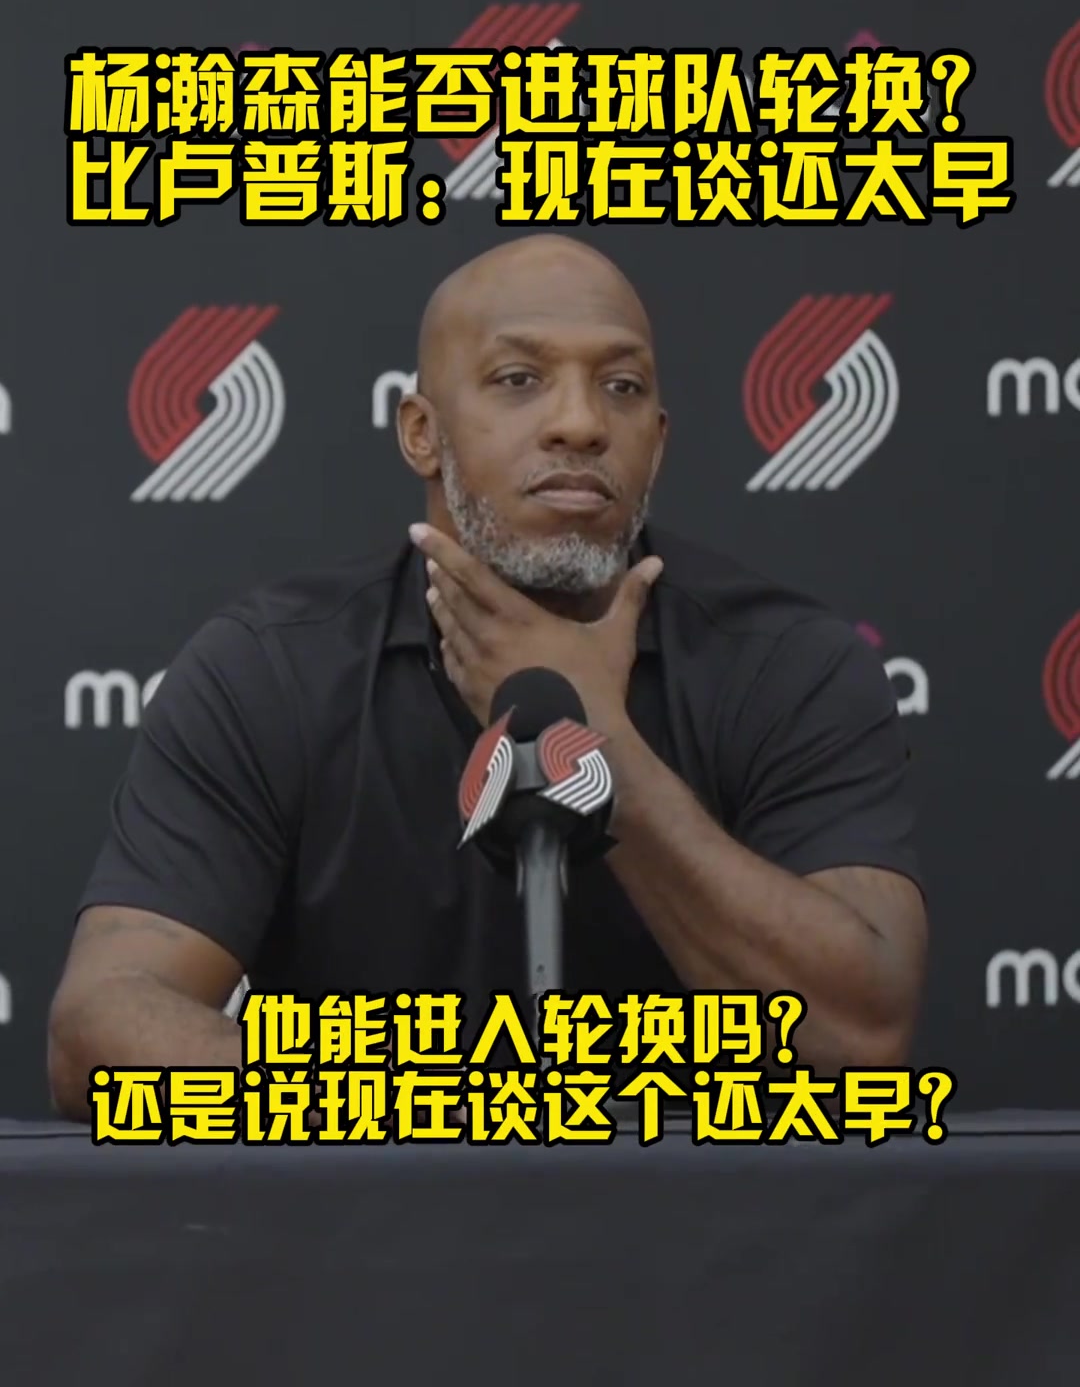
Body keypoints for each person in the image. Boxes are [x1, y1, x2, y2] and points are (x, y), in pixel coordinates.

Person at [48, 233, 927, 1121]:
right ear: (422, 433)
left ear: (656, 445)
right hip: (372, 1194)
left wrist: (604, 743)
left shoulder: (788, 667)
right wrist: (433, 1128)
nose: (581, 422)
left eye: (622, 387)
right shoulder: (272, 671)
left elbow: (858, 1035)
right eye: (519, 379)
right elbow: (100, 1031)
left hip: (706, 1209)